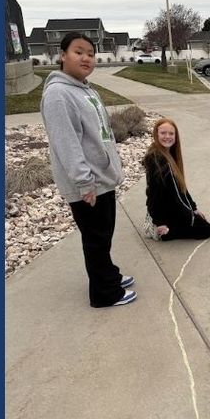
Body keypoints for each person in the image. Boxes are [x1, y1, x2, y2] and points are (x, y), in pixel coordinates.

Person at [39, 32, 136, 307]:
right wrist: (84, 182)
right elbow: (66, 143)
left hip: (101, 178)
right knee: (96, 239)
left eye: (91, 54)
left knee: (102, 236)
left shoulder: (85, 89)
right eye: (78, 52)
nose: (86, 58)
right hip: (89, 183)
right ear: (62, 55)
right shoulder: (58, 94)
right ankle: (104, 294)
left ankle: (108, 275)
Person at [142, 118, 210, 242]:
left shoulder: (170, 154)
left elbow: (181, 187)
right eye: (163, 133)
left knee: (202, 222)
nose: (167, 137)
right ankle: (166, 233)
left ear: (176, 136)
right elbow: (154, 193)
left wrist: (193, 208)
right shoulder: (157, 159)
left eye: (171, 133)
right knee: (206, 230)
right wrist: (160, 221)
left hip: (171, 205)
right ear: (156, 134)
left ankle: (168, 224)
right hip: (166, 210)